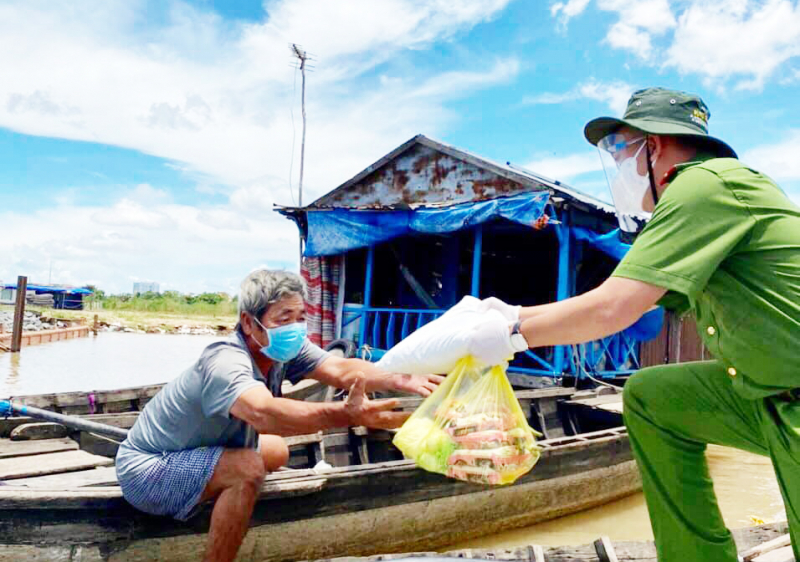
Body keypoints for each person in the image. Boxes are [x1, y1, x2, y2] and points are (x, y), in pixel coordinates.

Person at [468, 87, 800, 561]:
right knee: (651, 398)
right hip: (769, 397)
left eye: (621, 150)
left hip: (791, 400)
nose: (620, 166)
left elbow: (612, 308)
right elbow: (637, 304)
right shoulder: (705, 198)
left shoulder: (704, 186)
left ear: (654, 145)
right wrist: (508, 314)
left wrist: (508, 336)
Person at [115, 269, 442, 562]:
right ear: (248, 323)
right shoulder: (225, 361)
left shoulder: (281, 350)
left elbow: (340, 368)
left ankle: (223, 493)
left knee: (277, 450)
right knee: (248, 468)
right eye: (284, 319)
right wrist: (347, 415)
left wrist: (399, 378)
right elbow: (263, 413)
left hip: (198, 450)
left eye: (300, 317)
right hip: (148, 470)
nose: (295, 328)